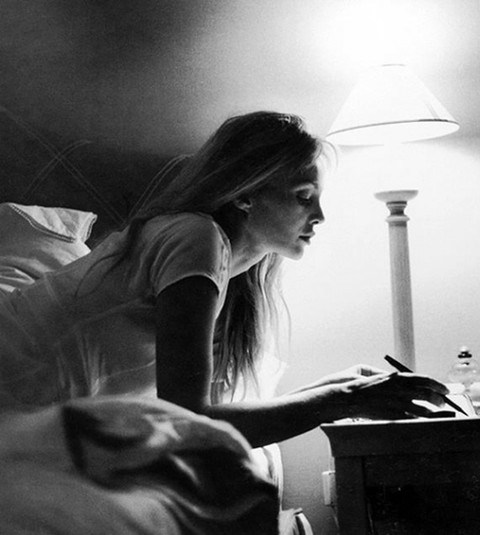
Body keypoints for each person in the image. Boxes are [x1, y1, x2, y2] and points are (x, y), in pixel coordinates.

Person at [0, 111, 448, 447]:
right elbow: (189, 420)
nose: (320, 216)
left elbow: (196, 414)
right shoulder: (195, 238)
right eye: (303, 197)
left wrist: (336, 388)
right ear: (246, 194)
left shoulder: (215, 260)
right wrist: (344, 398)